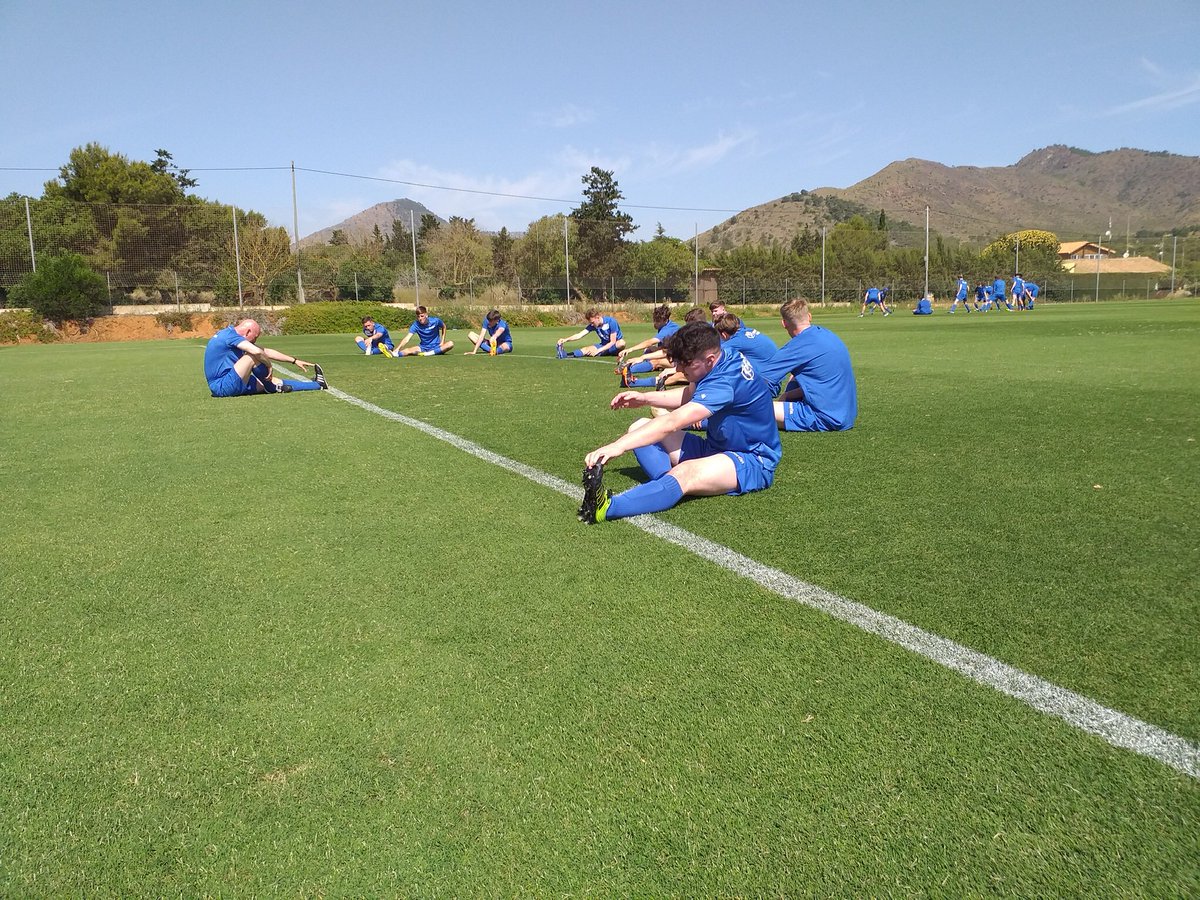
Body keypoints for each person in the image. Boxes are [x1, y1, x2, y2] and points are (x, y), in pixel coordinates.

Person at [577, 322, 781, 524]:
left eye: (685, 363)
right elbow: (690, 394)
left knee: (685, 473)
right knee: (638, 426)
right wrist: (645, 398)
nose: (679, 368)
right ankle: (665, 485)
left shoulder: (724, 380)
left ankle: (605, 508)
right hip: (716, 447)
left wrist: (617, 447)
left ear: (709, 360)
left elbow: (673, 422)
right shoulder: (718, 353)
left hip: (752, 459)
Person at [757, 297, 857, 432]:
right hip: (846, 416)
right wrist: (787, 395)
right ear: (809, 316)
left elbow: (762, 381)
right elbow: (822, 382)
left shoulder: (797, 346)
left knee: (749, 408)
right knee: (795, 376)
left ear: (784, 323)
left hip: (823, 417)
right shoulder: (828, 334)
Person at [203, 318, 327, 397]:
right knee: (252, 356)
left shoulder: (231, 335)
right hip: (221, 386)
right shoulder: (229, 336)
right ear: (248, 332)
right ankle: (270, 387)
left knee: (274, 381)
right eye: (255, 337)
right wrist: (269, 365)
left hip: (230, 380)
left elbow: (265, 351)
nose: (255, 340)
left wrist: (294, 360)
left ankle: (318, 384)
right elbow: (257, 352)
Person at [618, 305, 679, 386]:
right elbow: (665, 349)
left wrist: (631, 350)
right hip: (669, 353)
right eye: (654, 320)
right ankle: (636, 366)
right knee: (648, 350)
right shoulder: (666, 325)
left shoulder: (669, 329)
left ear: (665, 320)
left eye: (657, 321)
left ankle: (627, 369)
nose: (655, 323)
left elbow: (651, 342)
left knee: (656, 361)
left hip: (677, 359)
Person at [557, 308, 625, 358]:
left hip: (614, 345)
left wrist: (598, 350)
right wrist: (565, 339)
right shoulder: (593, 325)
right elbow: (579, 335)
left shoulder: (611, 322)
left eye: (592, 322)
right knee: (586, 350)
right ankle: (566, 355)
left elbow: (613, 342)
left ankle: (607, 352)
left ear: (597, 317)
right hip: (603, 345)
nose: (591, 325)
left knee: (621, 343)